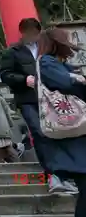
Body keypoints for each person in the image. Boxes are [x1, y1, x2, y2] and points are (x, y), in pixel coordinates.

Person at [0, 18, 78, 194]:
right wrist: (23, 79)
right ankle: (54, 175)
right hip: (28, 99)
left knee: (57, 132)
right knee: (40, 132)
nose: (31, 35)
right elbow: (5, 74)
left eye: (34, 31)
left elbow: (60, 65)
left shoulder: (46, 48)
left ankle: (64, 174)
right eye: (27, 31)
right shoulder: (13, 51)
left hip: (51, 98)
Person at [36, 28, 86, 215]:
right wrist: (79, 79)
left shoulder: (61, 64)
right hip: (71, 131)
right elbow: (65, 83)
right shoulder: (47, 63)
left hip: (77, 131)